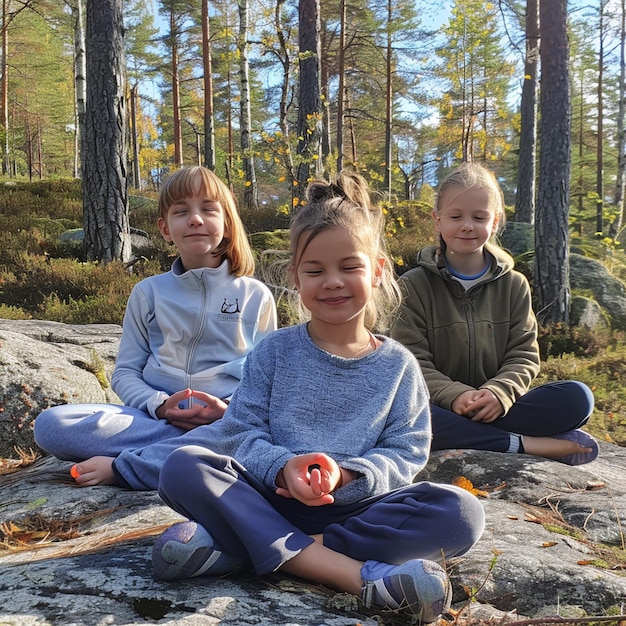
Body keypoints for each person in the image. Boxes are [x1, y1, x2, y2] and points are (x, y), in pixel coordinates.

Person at [151, 170, 485, 622]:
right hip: (269, 496)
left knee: (460, 511)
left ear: (378, 270)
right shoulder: (273, 351)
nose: (332, 282)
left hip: (355, 514)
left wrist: (348, 477)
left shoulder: (398, 364)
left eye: (350, 267)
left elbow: (407, 451)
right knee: (184, 465)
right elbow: (238, 433)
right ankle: (358, 578)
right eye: (315, 270)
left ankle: (248, 549)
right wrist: (282, 468)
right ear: (295, 276)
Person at [34, 166, 277, 488]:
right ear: (165, 228)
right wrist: (159, 405)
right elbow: (125, 373)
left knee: (257, 433)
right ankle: (185, 453)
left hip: (225, 421)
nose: (195, 219)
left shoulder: (254, 295)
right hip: (152, 420)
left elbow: (268, 379)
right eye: (181, 211)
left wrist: (226, 410)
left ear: (227, 223)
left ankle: (133, 465)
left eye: (208, 209)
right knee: (51, 425)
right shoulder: (148, 292)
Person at [390, 162, 597, 465]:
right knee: (402, 415)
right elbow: (411, 362)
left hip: (501, 406)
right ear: (437, 220)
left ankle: (480, 434)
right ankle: (521, 443)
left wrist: (500, 393)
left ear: (495, 221)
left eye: (479, 217)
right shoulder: (413, 286)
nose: (467, 226)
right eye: (455, 216)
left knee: (578, 398)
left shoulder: (514, 285)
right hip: (440, 406)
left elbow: (523, 355)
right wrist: (455, 395)